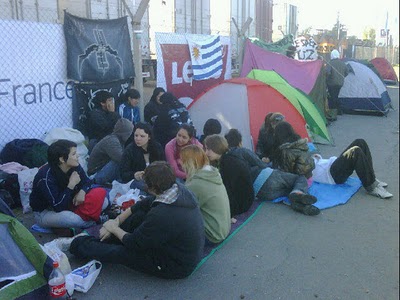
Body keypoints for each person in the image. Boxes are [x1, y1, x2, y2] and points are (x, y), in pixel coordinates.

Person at [69, 161, 205, 279]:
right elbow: (144, 203)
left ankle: (79, 245)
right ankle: (101, 237)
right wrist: (117, 220)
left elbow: (134, 243)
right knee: (138, 215)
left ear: (152, 187)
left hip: (175, 266)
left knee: (123, 253)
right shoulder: (178, 189)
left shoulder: (162, 214)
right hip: (181, 250)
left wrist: (113, 228)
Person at [205, 134, 320, 216]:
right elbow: (260, 164)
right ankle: (297, 192)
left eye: (208, 149)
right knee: (299, 178)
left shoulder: (219, 165)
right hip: (266, 177)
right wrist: (271, 165)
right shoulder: (239, 153)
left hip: (260, 194)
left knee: (287, 190)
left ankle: (299, 205)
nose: (206, 152)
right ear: (240, 142)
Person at [29, 140, 110, 229]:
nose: (77, 156)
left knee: (104, 201)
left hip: (70, 203)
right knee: (70, 219)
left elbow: (87, 182)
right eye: (74, 154)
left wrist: (82, 191)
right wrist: (71, 185)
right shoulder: (46, 177)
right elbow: (58, 206)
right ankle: (95, 221)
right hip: (46, 211)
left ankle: (87, 218)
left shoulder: (75, 166)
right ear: (62, 159)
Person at [181, 144, 231, 244]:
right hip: (222, 228)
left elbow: (182, 211)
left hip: (212, 235)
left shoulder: (196, 184)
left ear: (189, 162)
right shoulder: (212, 174)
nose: (180, 163)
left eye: (182, 160)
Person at [312, 139, 393, 199]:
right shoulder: (301, 164)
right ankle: (371, 187)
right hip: (332, 175)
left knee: (360, 142)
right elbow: (307, 170)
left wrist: (315, 157)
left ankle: (372, 178)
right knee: (355, 151)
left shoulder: (304, 156)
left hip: (332, 165)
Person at [204, 135, 255, 218]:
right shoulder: (227, 158)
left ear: (217, 147)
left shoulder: (228, 163)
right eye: (206, 149)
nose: (206, 153)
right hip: (244, 199)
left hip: (241, 203)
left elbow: (228, 190)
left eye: (209, 149)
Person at [87, 118, 134, 185]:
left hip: (101, 169)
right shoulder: (112, 141)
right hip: (95, 173)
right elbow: (122, 159)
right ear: (124, 132)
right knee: (117, 162)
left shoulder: (117, 139)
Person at [326, 49, 349, 119]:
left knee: (333, 97)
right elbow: (347, 72)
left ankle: (335, 111)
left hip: (331, 83)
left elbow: (328, 72)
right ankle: (339, 111)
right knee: (335, 96)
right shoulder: (342, 63)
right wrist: (341, 77)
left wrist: (326, 79)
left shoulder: (330, 63)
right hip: (340, 83)